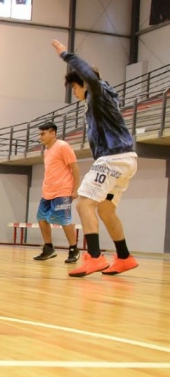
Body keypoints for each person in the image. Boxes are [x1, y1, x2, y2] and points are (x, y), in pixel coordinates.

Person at [51, 40, 139, 277]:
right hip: (126, 160)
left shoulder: (97, 93)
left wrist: (65, 54)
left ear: (83, 83)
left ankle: (95, 257)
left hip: (113, 158)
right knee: (106, 210)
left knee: (84, 204)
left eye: (75, 88)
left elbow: (90, 76)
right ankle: (124, 257)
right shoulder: (103, 97)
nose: (75, 93)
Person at [32, 121, 81, 263]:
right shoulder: (47, 151)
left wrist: (75, 190)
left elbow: (75, 168)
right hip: (48, 191)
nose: (40, 137)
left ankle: (73, 249)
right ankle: (48, 248)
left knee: (64, 221)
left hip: (62, 190)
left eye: (43, 133)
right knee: (41, 219)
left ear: (52, 133)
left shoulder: (63, 146)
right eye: (39, 134)